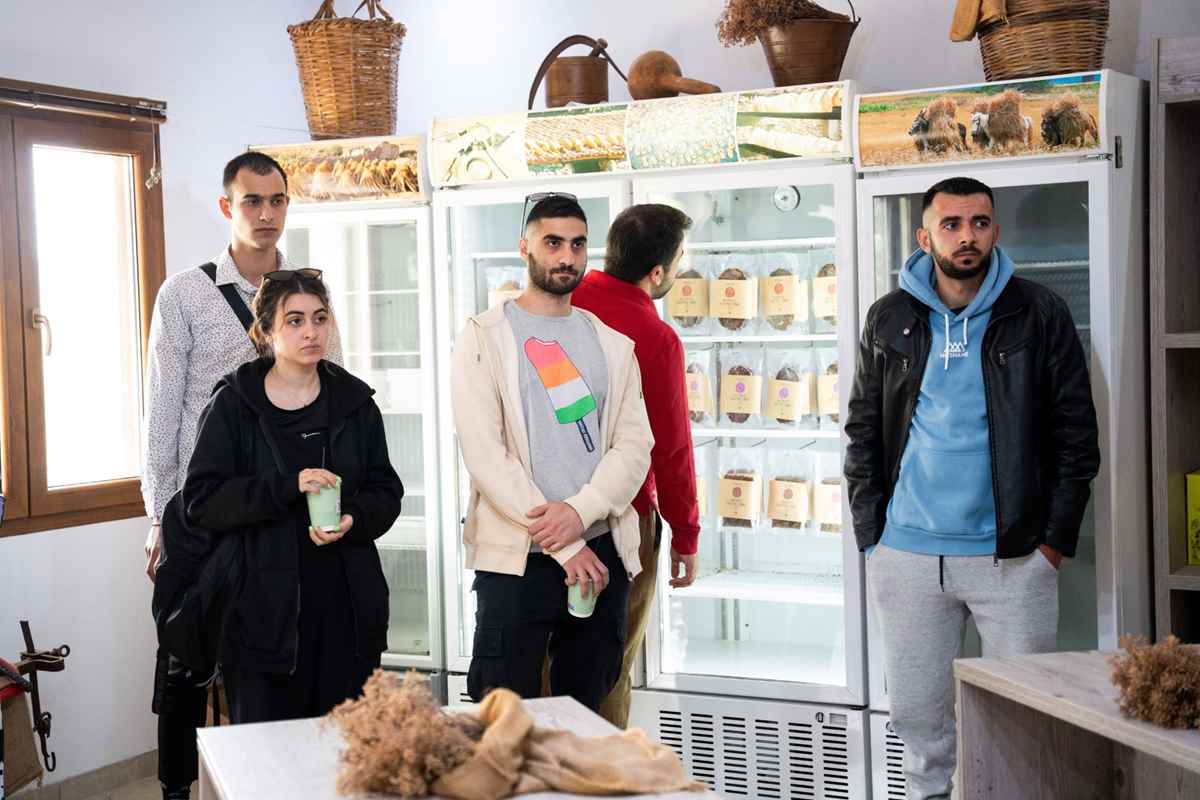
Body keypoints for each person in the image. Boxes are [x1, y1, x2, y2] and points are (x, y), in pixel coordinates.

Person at [844, 176, 1099, 800]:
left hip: (1013, 556)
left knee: (1023, 718)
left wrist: (1052, 545)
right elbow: (863, 431)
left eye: (980, 223)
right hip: (908, 555)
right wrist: (873, 537)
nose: (967, 237)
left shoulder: (1039, 312)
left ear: (996, 231)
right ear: (924, 236)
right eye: (952, 224)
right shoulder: (889, 317)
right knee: (917, 716)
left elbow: (1077, 437)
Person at [142, 151, 341, 800]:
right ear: (227, 207)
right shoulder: (185, 292)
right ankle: (178, 788)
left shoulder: (308, 292)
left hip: (285, 509)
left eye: (277, 200)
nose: (266, 213)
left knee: (279, 657)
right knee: (186, 657)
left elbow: (334, 393)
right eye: (252, 201)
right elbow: (162, 411)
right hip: (203, 511)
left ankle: (283, 783)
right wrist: (159, 517)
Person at [451, 193, 653, 712]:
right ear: (525, 248)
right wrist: (564, 543)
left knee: (586, 714)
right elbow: (486, 454)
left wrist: (580, 513)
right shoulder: (484, 337)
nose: (567, 257)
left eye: (578, 245)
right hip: (518, 559)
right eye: (553, 243)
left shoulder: (612, 344)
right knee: (504, 717)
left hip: (601, 553)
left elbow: (635, 446)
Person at [182, 269, 402, 724]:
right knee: (269, 754)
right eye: (295, 321)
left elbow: (386, 491)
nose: (311, 332)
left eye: (320, 318)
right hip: (261, 618)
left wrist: (353, 519)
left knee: (347, 750)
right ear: (266, 331)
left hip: (348, 614)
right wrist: (287, 485)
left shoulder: (355, 402)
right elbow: (202, 501)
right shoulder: (233, 405)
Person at [570, 203, 700, 728]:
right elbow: (670, 448)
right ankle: (600, 766)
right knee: (609, 661)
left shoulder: (561, 304)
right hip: (623, 517)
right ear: (658, 271)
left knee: (549, 659)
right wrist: (686, 533)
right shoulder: (655, 337)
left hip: (546, 513)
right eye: (681, 260)